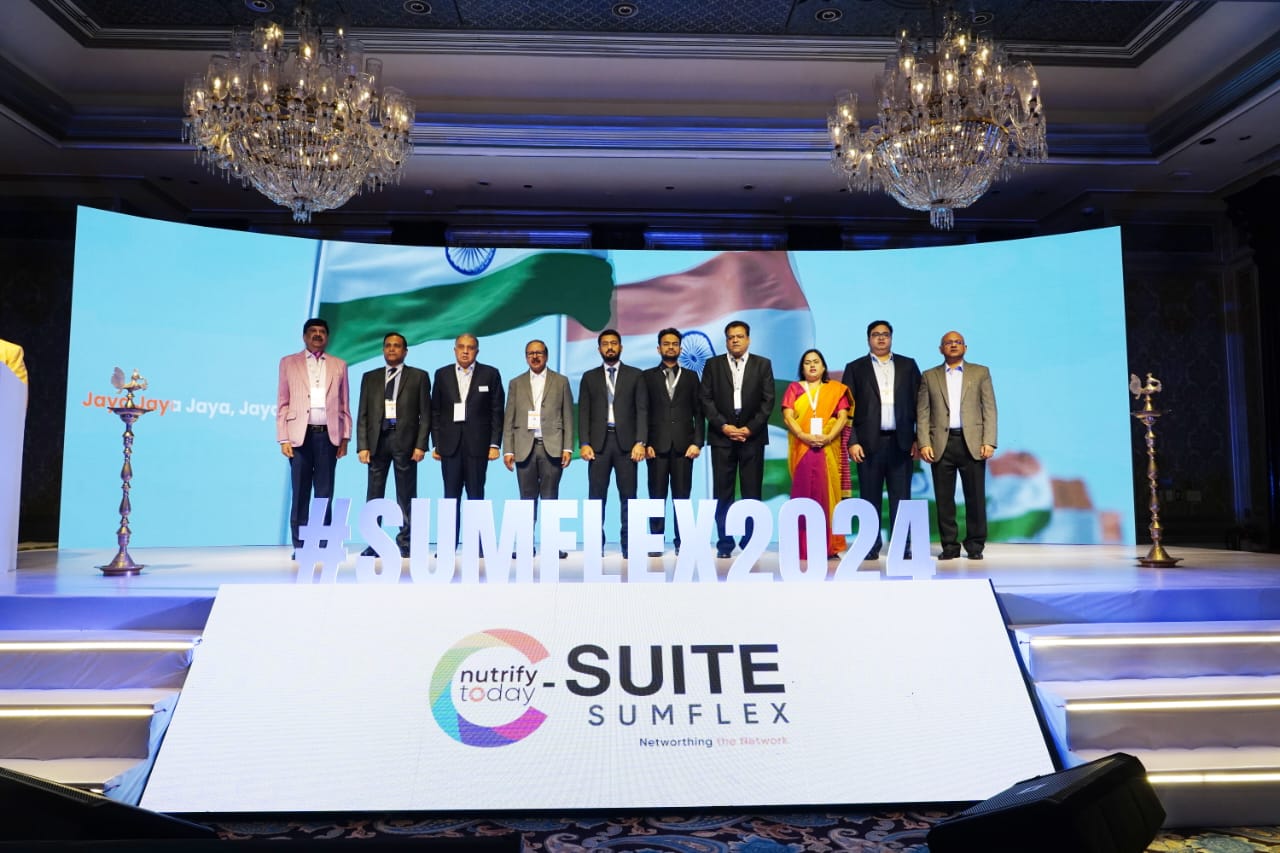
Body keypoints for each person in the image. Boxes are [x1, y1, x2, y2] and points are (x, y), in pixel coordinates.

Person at [842, 320, 921, 559]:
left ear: (891, 338)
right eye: (876, 334)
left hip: (901, 443)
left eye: (885, 334)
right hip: (868, 444)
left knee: (902, 498)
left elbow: (921, 405)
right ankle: (870, 544)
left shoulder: (908, 366)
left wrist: (918, 438)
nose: (881, 338)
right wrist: (852, 441)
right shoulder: (855, 368)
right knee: (870, 497)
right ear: (868, 339)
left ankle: (902, 545)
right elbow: (846, 408)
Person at [917, 331, 997, 560]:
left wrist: (989, 441)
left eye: (958, 342)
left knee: (975, 498)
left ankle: (975, 546)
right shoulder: (929, 376)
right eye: (948, 343)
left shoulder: (980, 373)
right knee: (944, 499)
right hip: (940, 444)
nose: (953, 345)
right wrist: (924, 442)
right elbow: (922, 412)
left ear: (965, 347)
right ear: (940, 349)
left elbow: (989, 408)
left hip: (972, 442)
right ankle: (949, 546)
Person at [700, 320, 775, 559]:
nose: (735, 340)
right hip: (722, 437)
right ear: (726, 341)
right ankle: (724, 543)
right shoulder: (713, 365)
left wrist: (749, 429)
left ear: (748, 339)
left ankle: (751, 542)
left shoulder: (763, 364)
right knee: (723, 492)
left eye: (739, 336)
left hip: (752, 438)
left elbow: (768, 401)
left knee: (752, 491)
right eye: (731, 337)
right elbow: (706, 400)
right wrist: (724, 426)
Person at [276, 318, 351, 554]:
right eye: (312, 331)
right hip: (299, 436)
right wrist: (283, 438)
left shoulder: (339, 365)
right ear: (304, 336)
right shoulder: (288, 362)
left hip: (328, 436)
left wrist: (345, 437)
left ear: (327, 337)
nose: (317, 335)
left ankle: (322, 543)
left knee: (324, 493)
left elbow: (344, 404)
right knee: (300, 492)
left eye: (322, 332)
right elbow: (283, 402)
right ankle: (300, 545)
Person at [356, 332, 430, 558]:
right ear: (383, 349)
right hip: (377, 442)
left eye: (397, 346)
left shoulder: (419, 376)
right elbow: (363, 414)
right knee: (374, 494)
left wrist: (421, 445)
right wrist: (362, 445)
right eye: (388, 345)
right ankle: (374, 543)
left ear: (405, 351)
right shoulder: (370, 377)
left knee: (406, 494)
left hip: (406, 443)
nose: (391, 349)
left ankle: (406, 543)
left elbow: (426, 415)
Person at [579, 329, 647, 558]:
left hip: (627, 445)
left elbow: (642, 411)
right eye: (605, 344)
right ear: (599, 349)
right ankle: (594, 545)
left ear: (621, 347)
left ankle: (629, 545)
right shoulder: (589, 377)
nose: (610, 347)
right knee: (596, 498)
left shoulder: (635, 375)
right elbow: (584, 413)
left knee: (629, 497)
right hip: (598, 445)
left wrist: (641, 441)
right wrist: (584, 443)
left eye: (614, 343)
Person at [503, 339, 574, 558]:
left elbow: (568, 416)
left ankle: (552, 546)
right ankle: (526, 546)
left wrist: (568, 448)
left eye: (539, 353)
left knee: (551, 499)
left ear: (546, 355)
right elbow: (509, 417)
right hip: (524, 447)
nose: (535, 356)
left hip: (552, 446)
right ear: (526, 357)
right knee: (526, 499)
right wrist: (508, 450)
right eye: (530, 353)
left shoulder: (561, 381)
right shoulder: (516, 383)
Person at [782, 349, 851, 560]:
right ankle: (801, 548)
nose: (812, 365)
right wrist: (803, 435)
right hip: (803, 448)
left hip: (826, 448)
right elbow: (788, 416)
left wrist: (828, 437)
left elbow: (843, 416)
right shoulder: (794, 388)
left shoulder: (835, 390)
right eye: (807, 362)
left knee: (826, 494)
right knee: (803, 494)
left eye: (816, 361)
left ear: (823, 366)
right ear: (802, 368)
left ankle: (829, 546)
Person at [643, 328, 704, 554]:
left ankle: (683, 542)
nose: (671, 347)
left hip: (684, 448)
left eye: (675, 344)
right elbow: (643, 411)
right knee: (656, 497)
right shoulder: (647, 376)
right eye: (666, 344)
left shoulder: (691, 377)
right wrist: (645, 442)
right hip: (655, 448)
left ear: (680, 348)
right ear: (658, 348)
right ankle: (655, 542)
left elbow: (699, 413)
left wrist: (697, 442)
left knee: (682, 498)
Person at [430, 333, 504, 521]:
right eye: (461, 347)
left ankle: (477, 539)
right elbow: (435, 411)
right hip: (449, 446)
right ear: (454, 350)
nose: (465, 351)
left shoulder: (490, 374)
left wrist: (494, 444)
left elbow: (497, 411)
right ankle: (449, 539)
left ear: (477, 352)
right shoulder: (442, 374)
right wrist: (437, 444)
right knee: (450, 497)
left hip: (478, 446)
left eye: (470, 348)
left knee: (476, 496)